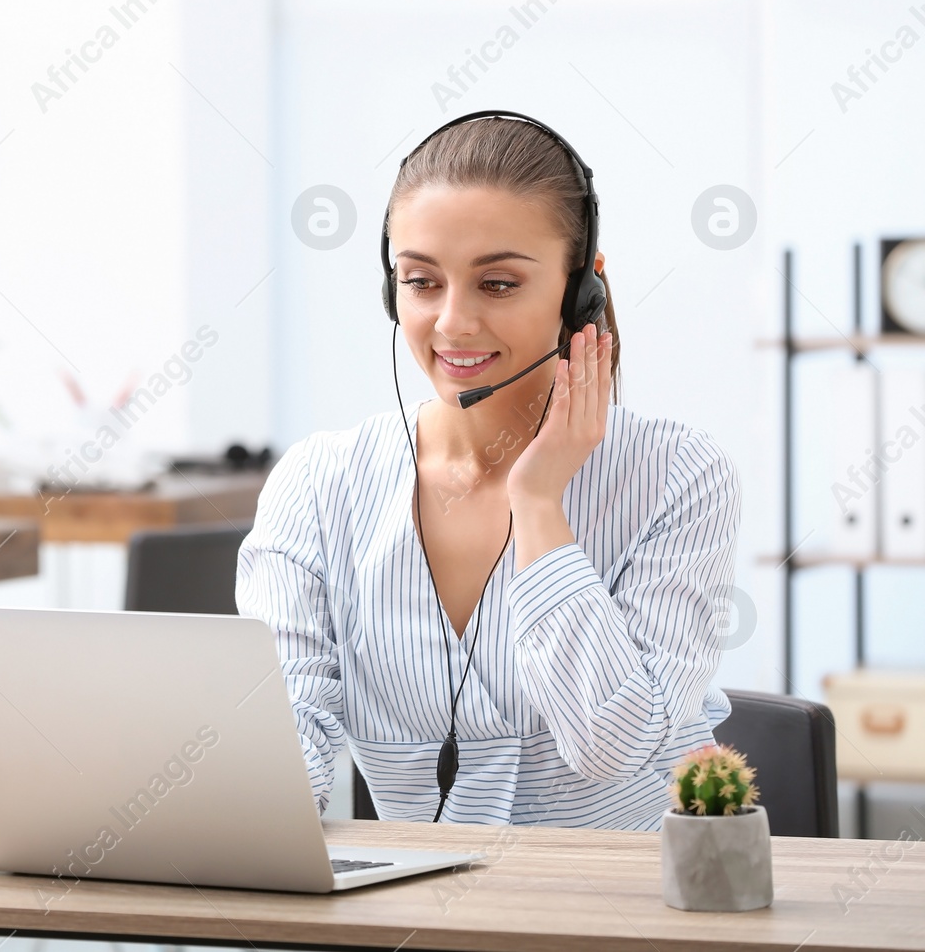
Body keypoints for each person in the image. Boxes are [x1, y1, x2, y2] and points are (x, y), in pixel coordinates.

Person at [236, 113, 742, 828]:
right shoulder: (319, 486)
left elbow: (613, 743)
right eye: (420, 281)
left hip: (631, 921)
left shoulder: (678, 476)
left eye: (498, 284)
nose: (452, 323)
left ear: (581, 292)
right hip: (423, 923)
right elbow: (284, 742)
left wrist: (537, 503)